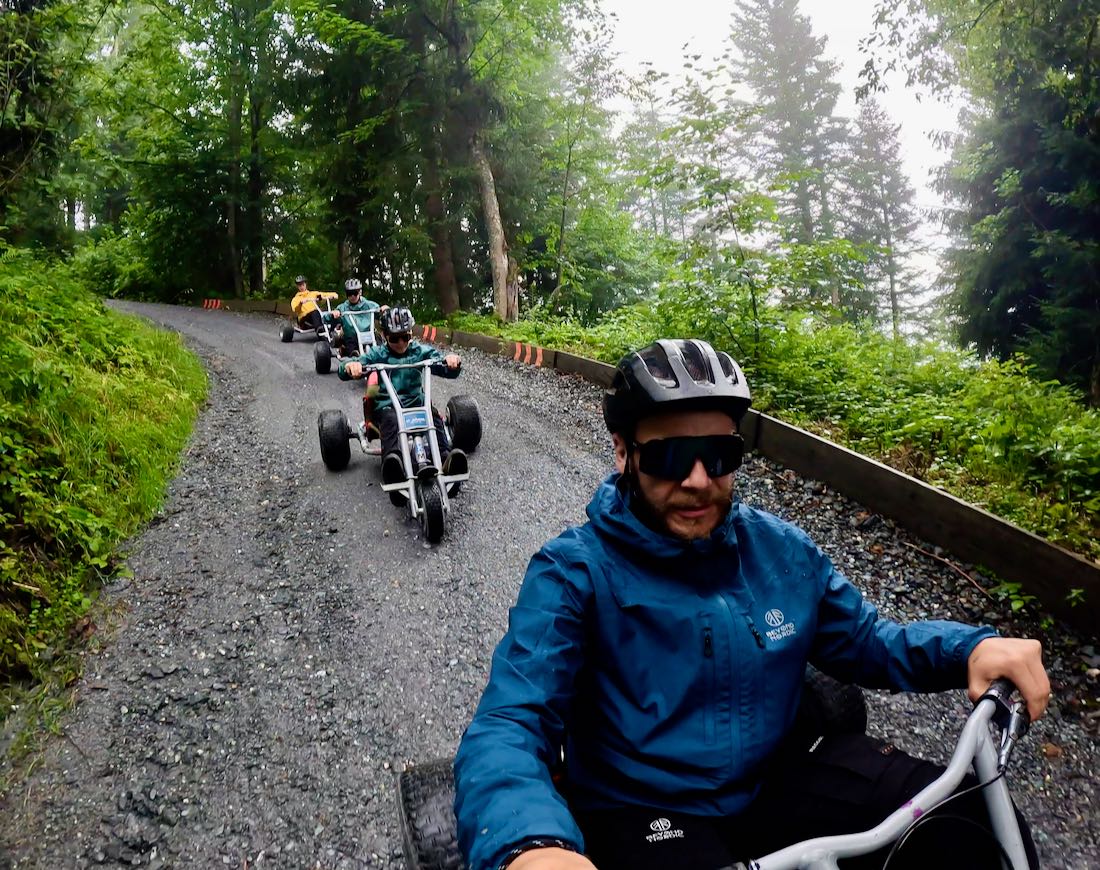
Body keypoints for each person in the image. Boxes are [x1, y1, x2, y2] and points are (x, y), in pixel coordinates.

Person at [453, 338, 1049, 870]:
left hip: (781, 777)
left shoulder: (781, 550)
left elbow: (869, 643)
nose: (696, 480)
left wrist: (970, 646)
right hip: (646, 808)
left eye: (718, 455)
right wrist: (530, 845)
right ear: (623, 453)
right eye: (666, 457)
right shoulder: (572, 572)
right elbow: (511, 721)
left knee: (978, 828)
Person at [338, 306, 467, 485]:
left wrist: (452, 362)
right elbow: (348, 367)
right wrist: (351, 366)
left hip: (417, 404)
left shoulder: (420, 351)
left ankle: (445, 458)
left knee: (434, 416)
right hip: (388, 406)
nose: (400, 343)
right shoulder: (378, 354)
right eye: (394, 338)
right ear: (384, 335)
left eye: (405, 337)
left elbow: (444, 365)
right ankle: (393, 463)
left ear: (410, 333)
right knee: (391, 420)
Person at [322, 278, 383, 356]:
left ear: (360, 292)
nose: (352, 296)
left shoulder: (370, 305)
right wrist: (332, 314)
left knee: (381, 346)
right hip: (351, 337)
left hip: (370, 334)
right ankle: (353, 358)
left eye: (355, 293)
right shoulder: (342, 308)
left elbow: (382, 314)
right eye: (349, 294)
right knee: (351, 347)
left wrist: (384, 310)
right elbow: (325, 319)